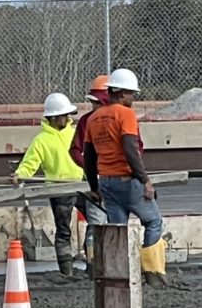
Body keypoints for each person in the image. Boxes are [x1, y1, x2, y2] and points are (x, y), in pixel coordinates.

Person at [83, 68, 169, 286]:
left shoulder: (94, 118)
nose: (133, 98)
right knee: (153, 222)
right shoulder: (126, 114)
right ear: (121, 93)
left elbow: (89, 157)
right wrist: (145, 181)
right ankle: (152, 272)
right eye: (132, 94)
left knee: (118, 229)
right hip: (127, 181)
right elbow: (131, 149)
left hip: (106, 182)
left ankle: (120, 272)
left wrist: (94, 187)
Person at [12, 92, 83, 277]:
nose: (67, 118)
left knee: (97, 220)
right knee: (64, 230)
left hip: (83, 185)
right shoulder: (41, 141)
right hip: (59, 189)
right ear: (53, 117)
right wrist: (20, 174)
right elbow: (30, 163)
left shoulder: (75, 134)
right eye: (63, 115)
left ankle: (93, 263)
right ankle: (67, 272)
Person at [69, 74, 109, 273]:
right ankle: (94, 265)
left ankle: (109, 262)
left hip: (116, 181)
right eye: (93, 102)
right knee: (96, 223)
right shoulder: (86, 121)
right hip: (96, 183)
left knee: (114, 224)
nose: (94, 106)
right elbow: (75, 150)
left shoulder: (119, 118)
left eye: (97, 102)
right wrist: (91, 169)